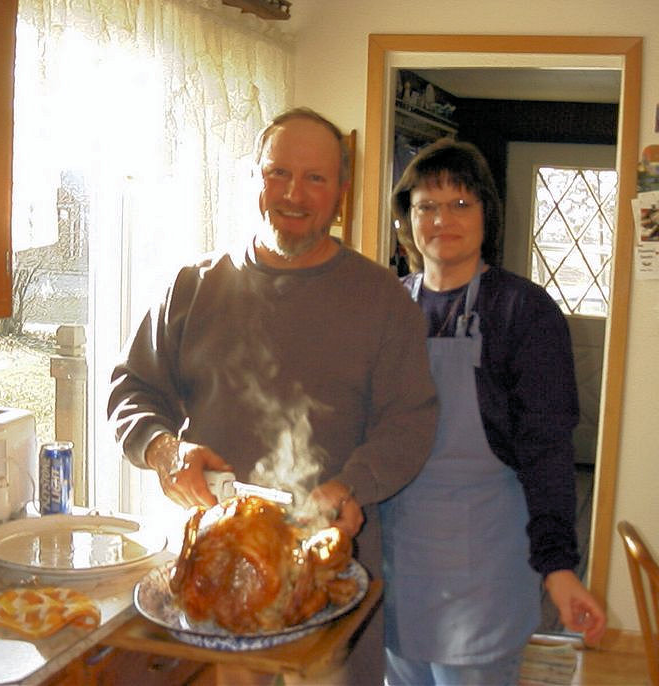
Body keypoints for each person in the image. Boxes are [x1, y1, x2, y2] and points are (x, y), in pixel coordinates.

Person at [107, 107, 438, 686]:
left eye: (315, 178)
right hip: (213, 585)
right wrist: (165, 452)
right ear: (255, 178)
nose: (294, 193)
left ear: (340, 191)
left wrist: (351, 486)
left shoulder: (382, 298)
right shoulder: (193, 286)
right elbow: (131, 389)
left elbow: (408, 423)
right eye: (278, 173)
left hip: (327, 588)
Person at [380, 138, 607, 685]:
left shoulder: (524, 312)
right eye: (426, 206)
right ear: (406, 221)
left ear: (487, 214)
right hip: (400, 557)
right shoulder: (387, 308)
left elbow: (547, 447)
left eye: (461, 203)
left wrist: (557, 566)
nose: (442, 219)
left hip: (483, 559)